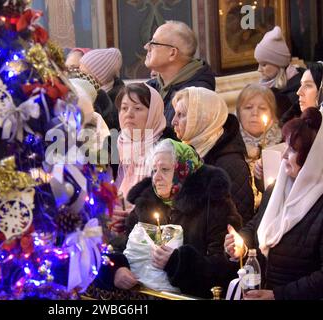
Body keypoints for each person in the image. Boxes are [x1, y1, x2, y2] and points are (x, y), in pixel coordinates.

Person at [98, 139, 242, 298]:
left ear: (184, 171)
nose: (156, 177)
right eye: (154, 170)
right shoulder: (146, 203)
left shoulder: (214, 204)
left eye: (165, 169)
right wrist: (116, 269)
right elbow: (121, 247)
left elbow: (224, 270)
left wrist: (177, 263)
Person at [224, 108, 323, 300]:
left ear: (313, 158)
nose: (285, 155)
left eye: (294, 150)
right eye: (286, 147)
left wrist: (277, 295)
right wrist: (240, 243)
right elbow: (259, 224)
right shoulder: (277, 188)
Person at [172, 87, 254, 224]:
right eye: (175, 114)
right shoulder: (187, 154)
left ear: (202, 118)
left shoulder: (230, 164)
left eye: (181, 115)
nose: (173, 121)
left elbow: (239, 223)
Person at [110, 83, 172, 234]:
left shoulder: (168, 151)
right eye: (124, 108)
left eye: (137, 108)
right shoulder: (110, 146)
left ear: (153, 113)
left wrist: (132, 216)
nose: (129, 114)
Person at [145, 21, 215, 126]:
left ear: (172, 53)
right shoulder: (150, 87)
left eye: (154, 43)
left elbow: (183, 141)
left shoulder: (196, 96)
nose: (147, 47)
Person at [236, 84, 282, 201]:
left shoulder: (284, 143)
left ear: (272, 113)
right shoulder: (231, 146)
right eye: (248, 107)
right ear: (238, 113)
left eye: (262, 108)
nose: (255, 113)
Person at [254, 26, 304, 120]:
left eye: (264, 64)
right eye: (258, 64)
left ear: (278, 64)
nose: (259, 69)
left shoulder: (296, 93)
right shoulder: (264, 86)